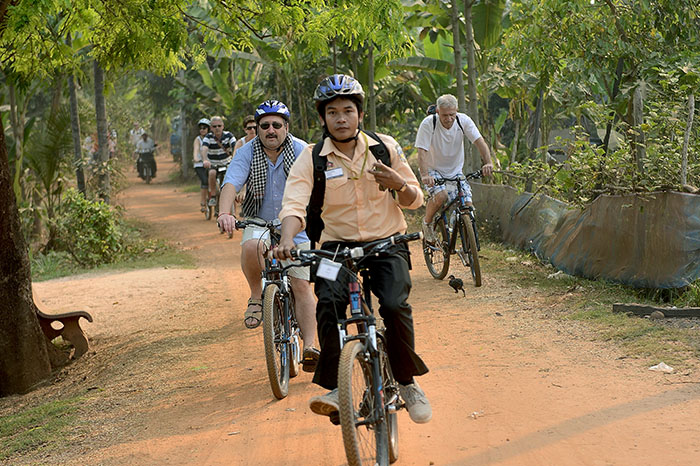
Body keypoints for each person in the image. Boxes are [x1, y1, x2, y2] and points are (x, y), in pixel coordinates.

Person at [273, 75, 432, 424]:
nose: (341, 118)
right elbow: (294, 205)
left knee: (393, 304)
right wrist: (287, 239)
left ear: (360, 114)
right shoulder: (311, 158)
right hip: (334, 252)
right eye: (332, 112)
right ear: (322, 119)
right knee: (328, 303)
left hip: (387, 244)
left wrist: (399, 184)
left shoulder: (384, 146)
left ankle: (406, 382)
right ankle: (335, 387)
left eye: (348, 110)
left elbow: (415, 199)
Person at [217, 100, 319, 369]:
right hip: (258, 221)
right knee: (250, 246)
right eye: (265, 126)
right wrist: (224, 213)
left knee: (300, 285)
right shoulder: (246, 152)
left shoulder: (302, 150)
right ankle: (255, 296)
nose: (270, 130)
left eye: (276, 125)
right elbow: (231, 183)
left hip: (296, 224)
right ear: (258, 129)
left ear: (286, 127)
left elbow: (318, 188)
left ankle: (309, 345)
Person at [414, 94, 493, 242]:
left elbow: (479, 142)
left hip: (455, 170)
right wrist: (425, 175)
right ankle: (427, 223)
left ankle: (465, 242)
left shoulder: (463, 121)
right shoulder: (428, 124)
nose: (449, 119)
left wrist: (488, 162)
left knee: (467, 204)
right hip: (432, 170)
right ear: (438, 111)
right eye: (445, 115)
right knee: (441, 196)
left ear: (456, 110)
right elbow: (422, 152)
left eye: (452, 114)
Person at [200, 116, 235, 207]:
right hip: (213, 164)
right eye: (214, 126)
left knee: (231, 177)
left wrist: (236, 158)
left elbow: (236, 147)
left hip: (227, 162)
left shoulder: (229, 136)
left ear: (223, 126)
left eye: (219, 126)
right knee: (212, 173)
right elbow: (204, 149)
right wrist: (204, 160)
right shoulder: (208, 137)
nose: (217, 128)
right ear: (211, 128)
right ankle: (213, 196)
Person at [230, 115, 257, 217]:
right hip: (243, 172)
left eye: (254, 127)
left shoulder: (264, 141)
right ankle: (232, 213)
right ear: (245, 130)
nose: (252, 130)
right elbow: (235, 162)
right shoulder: (240, 143)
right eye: (249, 128)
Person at [193, 118, 211, 213]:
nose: (202, 130)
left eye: (204, 128)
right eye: (201, 128)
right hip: (200, 164)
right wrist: (196, 158)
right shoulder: (198, 139)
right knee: (205, 181)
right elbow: (196, 151)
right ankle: (203, 202)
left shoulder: (212, 138)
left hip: (212, 164)